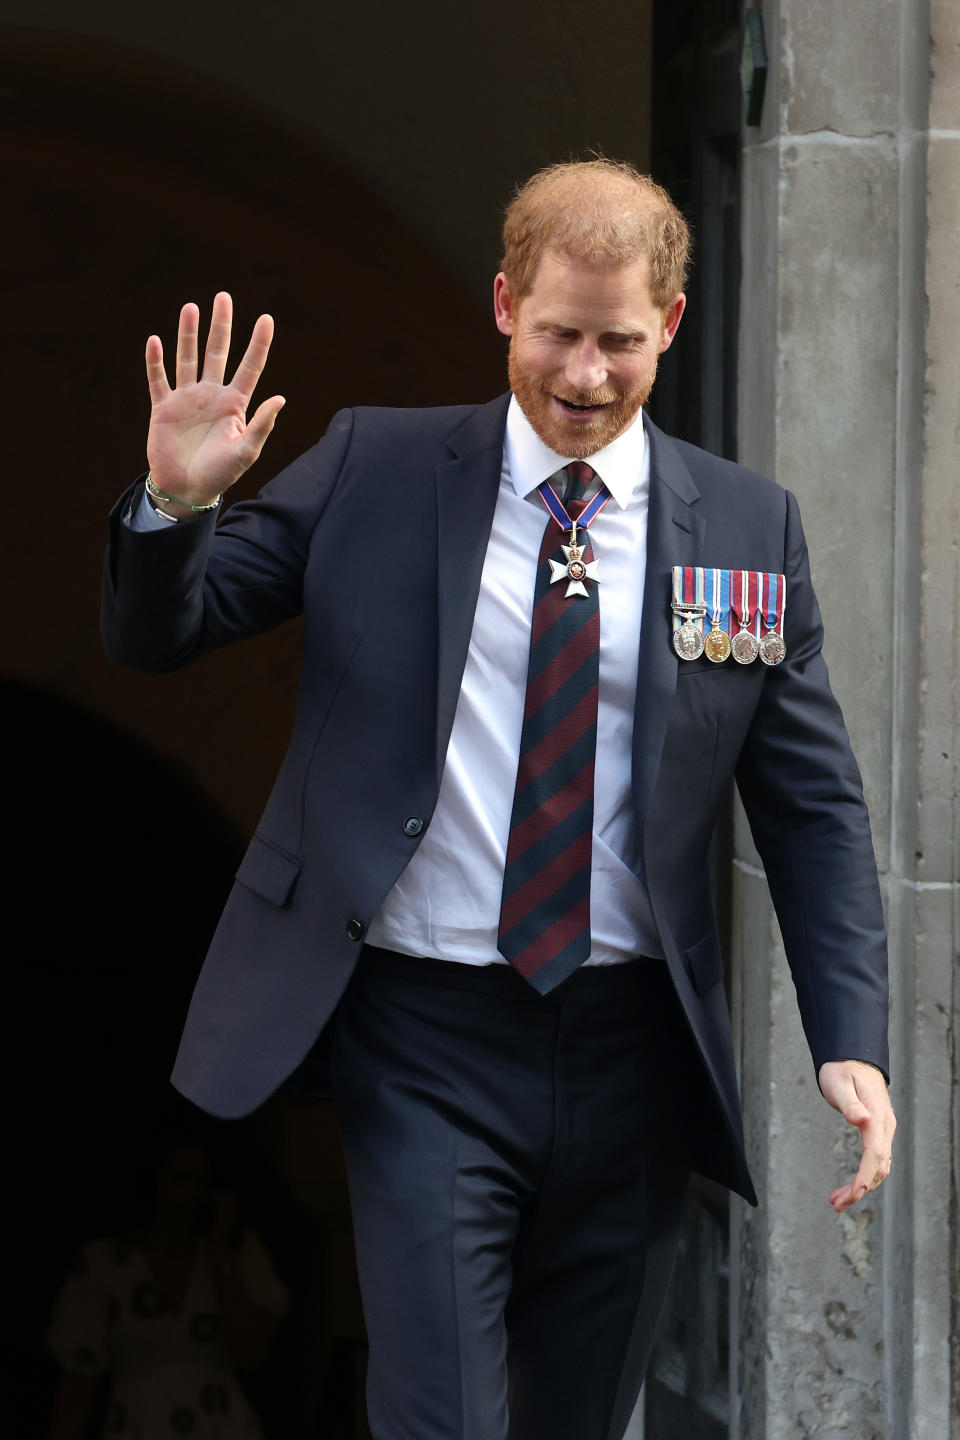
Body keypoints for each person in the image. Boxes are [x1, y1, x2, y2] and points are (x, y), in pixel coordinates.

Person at [102, 159, 896, 1440]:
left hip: (635, 1047)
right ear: (503, 307)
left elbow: (812, 805)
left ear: (672, 327)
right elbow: (164, 635)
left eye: (619, 344)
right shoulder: (377, 464)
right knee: (442, 1420)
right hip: (426, 1041)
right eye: (558, 337)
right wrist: (177, 504)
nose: (584, 377)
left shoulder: (750, 526)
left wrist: (849, 1034)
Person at [47, 1140, 289, 1440]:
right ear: (154, 1181)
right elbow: (76, 1388)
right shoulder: (105, 1263)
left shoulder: (235, 1251)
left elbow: (252, 1353)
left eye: (201, 1182)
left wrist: (218, 1253)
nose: (190, 1194)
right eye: (178, 1179)